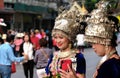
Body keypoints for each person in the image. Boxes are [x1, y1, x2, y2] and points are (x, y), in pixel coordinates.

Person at [44, 1, 87, 78]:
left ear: (69, 38)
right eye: (56, 37)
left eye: (61, 37)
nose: (57, 41)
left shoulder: (78, 57)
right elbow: (47, 74)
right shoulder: (54, 56)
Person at [84, 1, 120, 78]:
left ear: (105, 41)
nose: (93, 46)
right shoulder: (112, 62)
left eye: (95, 42)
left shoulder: (108, 66)